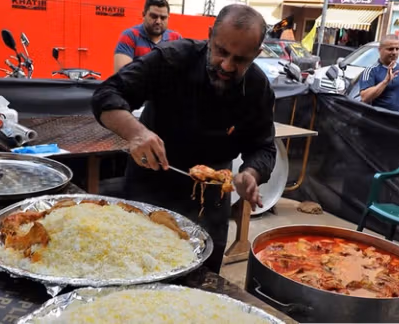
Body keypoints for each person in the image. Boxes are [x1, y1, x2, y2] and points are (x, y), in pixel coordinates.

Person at [92, 4, 276, 274]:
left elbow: (264, 147)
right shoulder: (172, 59)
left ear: (256, 54)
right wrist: (136, 132)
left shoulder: (258, 88)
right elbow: (106, 95)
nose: (226, 65)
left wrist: (251, 173)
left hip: (209, 204)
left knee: (201, 279)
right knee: (135, 271)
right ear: (210, 35)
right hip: (150, 187)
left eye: (240, 60)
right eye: (222, 52)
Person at [114, 0, 181, 72]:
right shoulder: (129, 37)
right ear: (144, 15)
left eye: (163, 18)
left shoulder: (176, 39)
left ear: (168, 18)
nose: (158, 21)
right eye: (153, 16)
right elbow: (122, 76)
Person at [359, 35, 399, 115]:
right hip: (377, 121)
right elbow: (365, 97)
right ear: (380, 50)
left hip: (397, 121)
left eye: (397, 49)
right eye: (390, 49)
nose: (394, 52)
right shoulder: (371, 71)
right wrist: (385, 82)